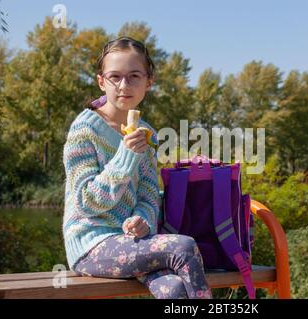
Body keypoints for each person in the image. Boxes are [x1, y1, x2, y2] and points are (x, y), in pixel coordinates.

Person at [62, 36, 212, 299]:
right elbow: (86, 202)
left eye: (134, 76)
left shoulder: (148, 135)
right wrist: (125, 155)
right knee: (183, 247)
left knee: (174, 290)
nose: (124, 85)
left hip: (133, 244)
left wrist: (143, 221)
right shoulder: (84, 130)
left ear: (148, 82)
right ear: (101, 81)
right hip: (92, 246)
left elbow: (148, 196)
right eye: (114, 77)